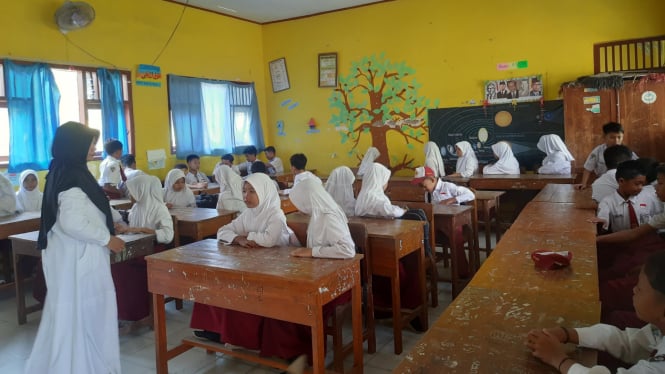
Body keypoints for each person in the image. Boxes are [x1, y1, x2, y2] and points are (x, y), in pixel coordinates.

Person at [25, 121, 125, 373]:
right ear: (75, 145)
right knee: (83, 315)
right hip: (78, 257)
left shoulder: (64, 169)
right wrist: (107, 238)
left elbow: (88, 205)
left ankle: (80, 363)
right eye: (90, 143)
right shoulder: (72, 174)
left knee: (73, 316)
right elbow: (72, 221)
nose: (94, 147)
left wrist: (113, 220)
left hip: (72, 255)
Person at [190, 173, 295, 350]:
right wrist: (239, 239)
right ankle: (217, 329)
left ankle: (244, 337)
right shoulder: (249, 214)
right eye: (244, 191)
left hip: (276, 272)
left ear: (264, 192)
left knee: (242, 290)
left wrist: (249, 235)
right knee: (216, 281)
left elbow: (269, 240)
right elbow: (222, 231)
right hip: (253, 266)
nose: (246, 196)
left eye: (252, 191)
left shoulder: (275, 214)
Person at [526, 250, 665, 373]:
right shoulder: (659, 330)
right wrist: (567, 334)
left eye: (640, 289)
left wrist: (557, 359)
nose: (634, 290)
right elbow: (629, 343)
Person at [113, 174, 174, 322]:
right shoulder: (136, 207)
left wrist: (140, 230)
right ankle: (127, 311)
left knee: (126, 268)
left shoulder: (159, 208)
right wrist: (123, 228)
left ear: (142, 190)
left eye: (132, 191)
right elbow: (133, 230)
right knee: (116, 265)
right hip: (139, 247)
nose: (130, 195)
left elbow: (167, 235)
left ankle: (142, 311)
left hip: (155, 250)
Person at [412, 166, 474, 277]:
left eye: (423, 185)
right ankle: (428, 266)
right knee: (422, 237)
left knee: (456, 238)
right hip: (437, 223)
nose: (423, 189)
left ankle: (463, 271)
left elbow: (470, 194)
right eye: (420, 186)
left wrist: (452, 199)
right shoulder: (428, 193)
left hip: (454, 223)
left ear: (431, 179)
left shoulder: (448, 187)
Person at [596, 164, 665, 245]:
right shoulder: (608, 201)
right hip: (622, 242)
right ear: (621, 181)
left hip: (649, 241)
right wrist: (602, 223)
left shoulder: (650, 195)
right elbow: (603, 218)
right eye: (637, 184)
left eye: (642, 184)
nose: (640, 187)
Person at [578, 122, 638, 190]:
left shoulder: (626, 151)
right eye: (612, 137)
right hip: (603, 183)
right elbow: (588, 168)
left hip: (622, 185)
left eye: (619, 137)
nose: (616, 141)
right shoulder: (598, 151)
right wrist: (583, 184)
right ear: (604, 137)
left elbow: (638, 166)